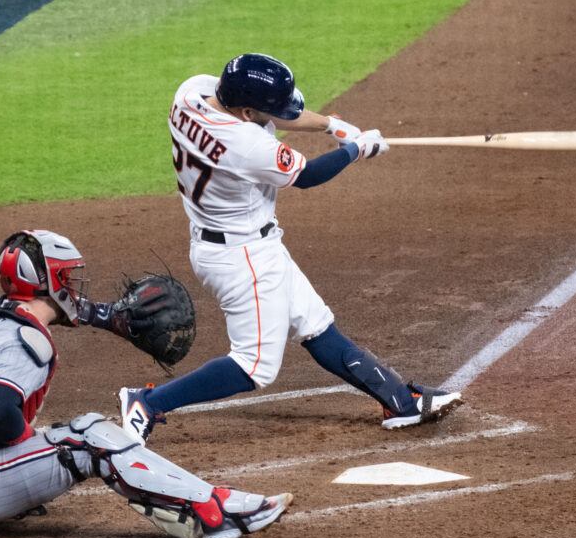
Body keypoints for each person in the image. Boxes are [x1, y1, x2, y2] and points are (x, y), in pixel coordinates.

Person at [119, 53, 463, 444]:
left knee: (314, 324)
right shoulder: (246, 145)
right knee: (254, 366)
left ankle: (401, 401)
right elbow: (308, 175)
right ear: (246, 111)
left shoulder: (192, 91)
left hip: (242, 242)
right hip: (242, 257)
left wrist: (332, 126)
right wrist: (356, 149)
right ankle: (147, 402)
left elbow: (272, 115)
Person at [0, 229, 291, 538]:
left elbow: (49, 320)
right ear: (49, 281)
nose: (74, 285)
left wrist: (107, 315)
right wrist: (27, 447)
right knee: (90, 436)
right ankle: (214, 512)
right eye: (66, 276)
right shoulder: (29, 342)